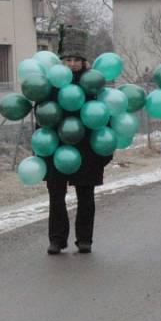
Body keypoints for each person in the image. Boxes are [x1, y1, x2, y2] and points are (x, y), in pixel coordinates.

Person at [43, 27, 112, 255]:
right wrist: (42, 149)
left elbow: (105, 114)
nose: (72, 64)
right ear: (62, 61)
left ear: (84, 62)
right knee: (56, 195)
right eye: (68, 60)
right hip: (57, 147)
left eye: (76, 60)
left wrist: (104, 151)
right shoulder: (51, 85)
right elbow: (43, 115)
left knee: (85, 196)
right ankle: (57, 239)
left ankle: (84, 240)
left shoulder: (93, 84)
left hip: (87, 148)